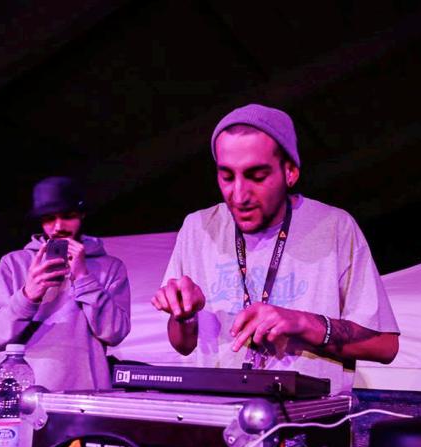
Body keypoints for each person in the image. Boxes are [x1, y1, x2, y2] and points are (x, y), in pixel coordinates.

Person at [152, 103, 400, 393]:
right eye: (227, 176)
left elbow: (385, 346)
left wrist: (301, 322)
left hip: (312, 416)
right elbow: (183, 345)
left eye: (257, 176)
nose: (239, 195)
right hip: (220, 411)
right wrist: (183, 315)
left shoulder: (335, 226)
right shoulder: (197, 228)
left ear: (290, 171)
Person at [0, 176, 131, 391]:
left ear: (82, 214)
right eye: (49, 218)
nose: (58, 226)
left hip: (88, 396)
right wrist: (28, 296)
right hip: (23, 394)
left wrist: (84, 278)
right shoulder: (14, 263)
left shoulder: (110, 267)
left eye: (67, 216)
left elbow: (115, 333)